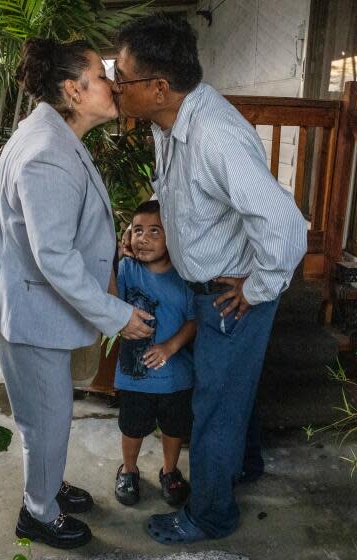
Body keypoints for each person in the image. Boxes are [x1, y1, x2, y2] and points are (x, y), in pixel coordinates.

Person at [113, 15, 308, 543]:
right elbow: (183, 198)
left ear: (158, 87)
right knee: (228, 392)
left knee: (214, 406)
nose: (115, 87)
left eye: (121, 77)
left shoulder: (215, 135)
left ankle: (211, 515)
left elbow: (285, 226)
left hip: (232, 293)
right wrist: (151, 234)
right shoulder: (169, 123)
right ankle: (243, 467)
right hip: (209, 284)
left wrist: (258, 286)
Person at [0, 37, 155, 550]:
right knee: (44, 419)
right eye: (102, 75)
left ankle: (47, 485)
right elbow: (54, 259)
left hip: (33, 306)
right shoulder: (48, 153)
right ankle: (38, 513)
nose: (114, 84)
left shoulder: (54, 135)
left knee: (49, 414)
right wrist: (117, 314)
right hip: (28, 311)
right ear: (74, 90)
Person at [112, 200, 197, 508]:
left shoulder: (185, 275)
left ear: (171, 236)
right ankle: (129, 470)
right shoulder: (126, 269)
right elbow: (111, 305)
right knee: (132, 427)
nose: (143, 238)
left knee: (174, 428)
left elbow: (193, 320)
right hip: (136, 377)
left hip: (176, 376)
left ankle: (170, 472)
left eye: (154, 232)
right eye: (137, 231)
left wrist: (170, 347)